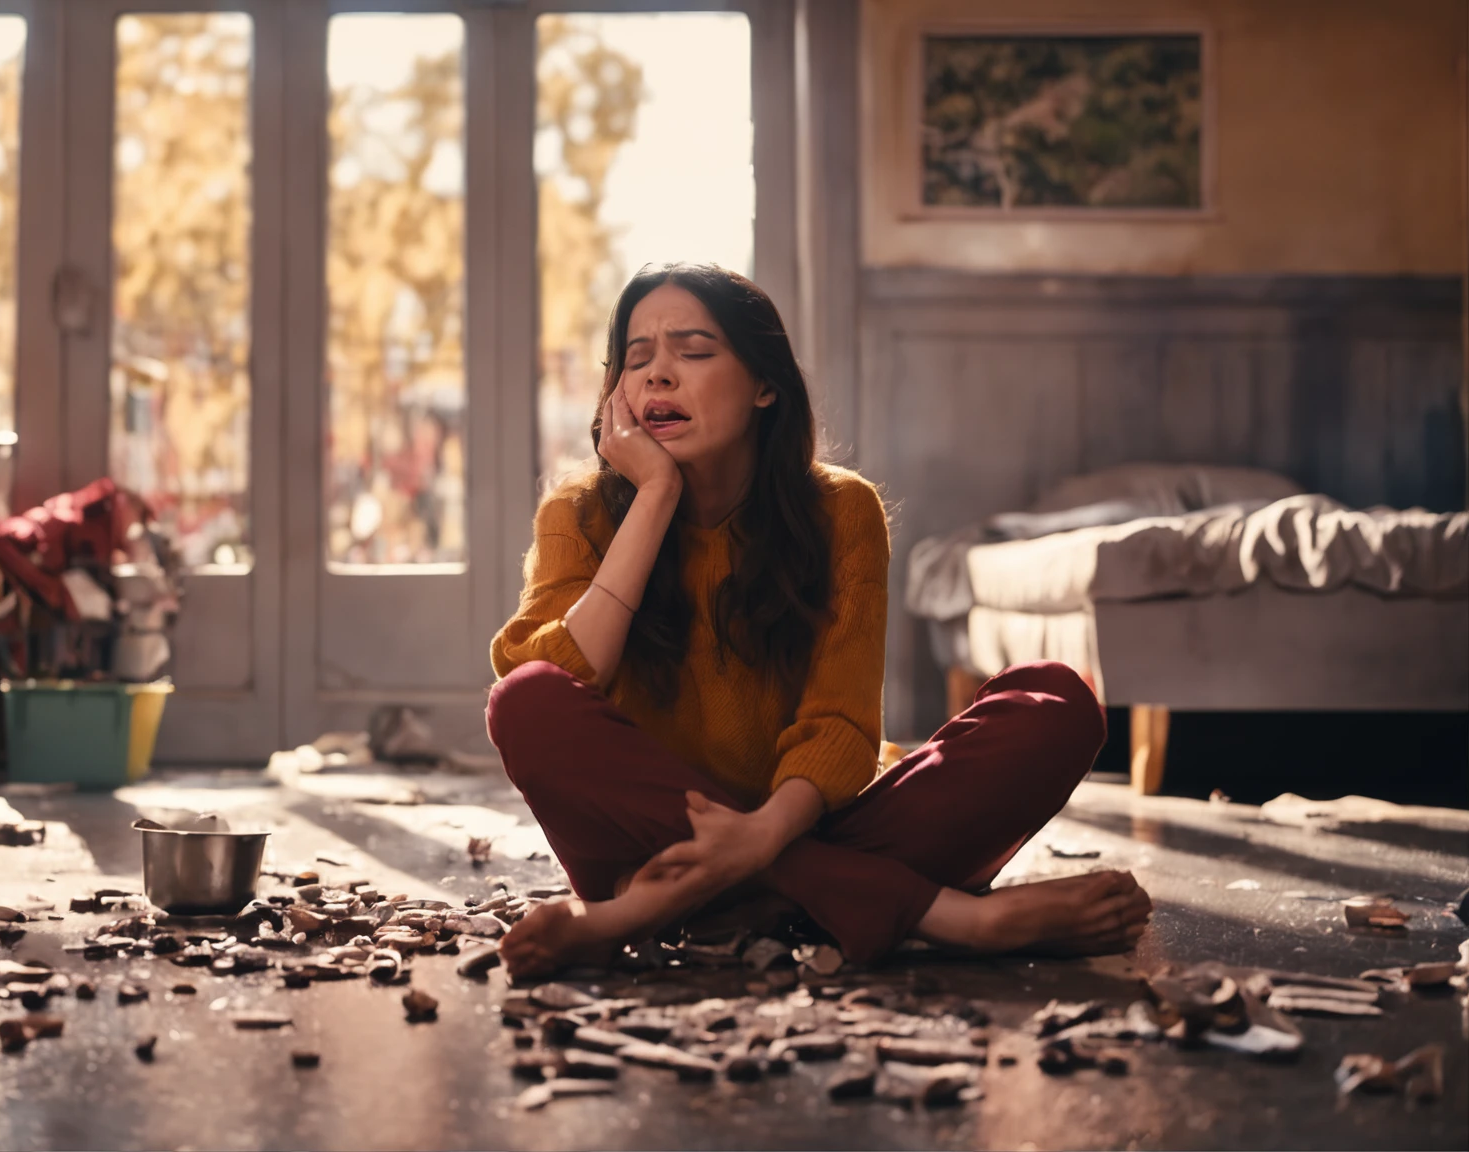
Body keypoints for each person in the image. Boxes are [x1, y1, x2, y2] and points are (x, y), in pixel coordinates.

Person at [486, 263, 1151, 979]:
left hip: (797, 825)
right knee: (526, 699)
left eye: (694, 351)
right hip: (642, 838)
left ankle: (658, 911)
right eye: (636, 359)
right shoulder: (577, 514)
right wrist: (654, 498)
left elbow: (840, 725)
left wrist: (758, 839)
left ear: (765, 385)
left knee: (1055, 700)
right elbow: (560, 677)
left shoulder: (841, 511)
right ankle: (951, 919)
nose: (657, 377)